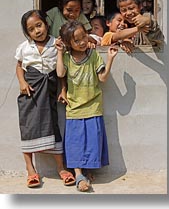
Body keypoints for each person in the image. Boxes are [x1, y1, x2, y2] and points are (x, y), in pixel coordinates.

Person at [15, 10, 75, 188]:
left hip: (49, 91)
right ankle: (30, 169)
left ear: (46, 24)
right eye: (31, 29)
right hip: (30, 92)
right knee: (27, 127)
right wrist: (22, 82)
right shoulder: (24, 47)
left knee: (52, 125)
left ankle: (61, 168)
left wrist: (63, 90)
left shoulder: (56, 44)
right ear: (27, 33)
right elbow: (19, 67)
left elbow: (61, 71)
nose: (37, 31)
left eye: (39, 25)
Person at [55, 21, 118, 192]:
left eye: (84, 36)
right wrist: (60, 52)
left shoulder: (94, 55)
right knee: (75, 143)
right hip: (74, 108)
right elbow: (60, 73)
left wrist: (110, 58)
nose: (82, 41)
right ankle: (78, 175)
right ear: (69, 43)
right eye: (77, 40)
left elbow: (102, 78)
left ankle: (87, 169)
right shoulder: (67, 58)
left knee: (92, 142)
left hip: (93, 106)